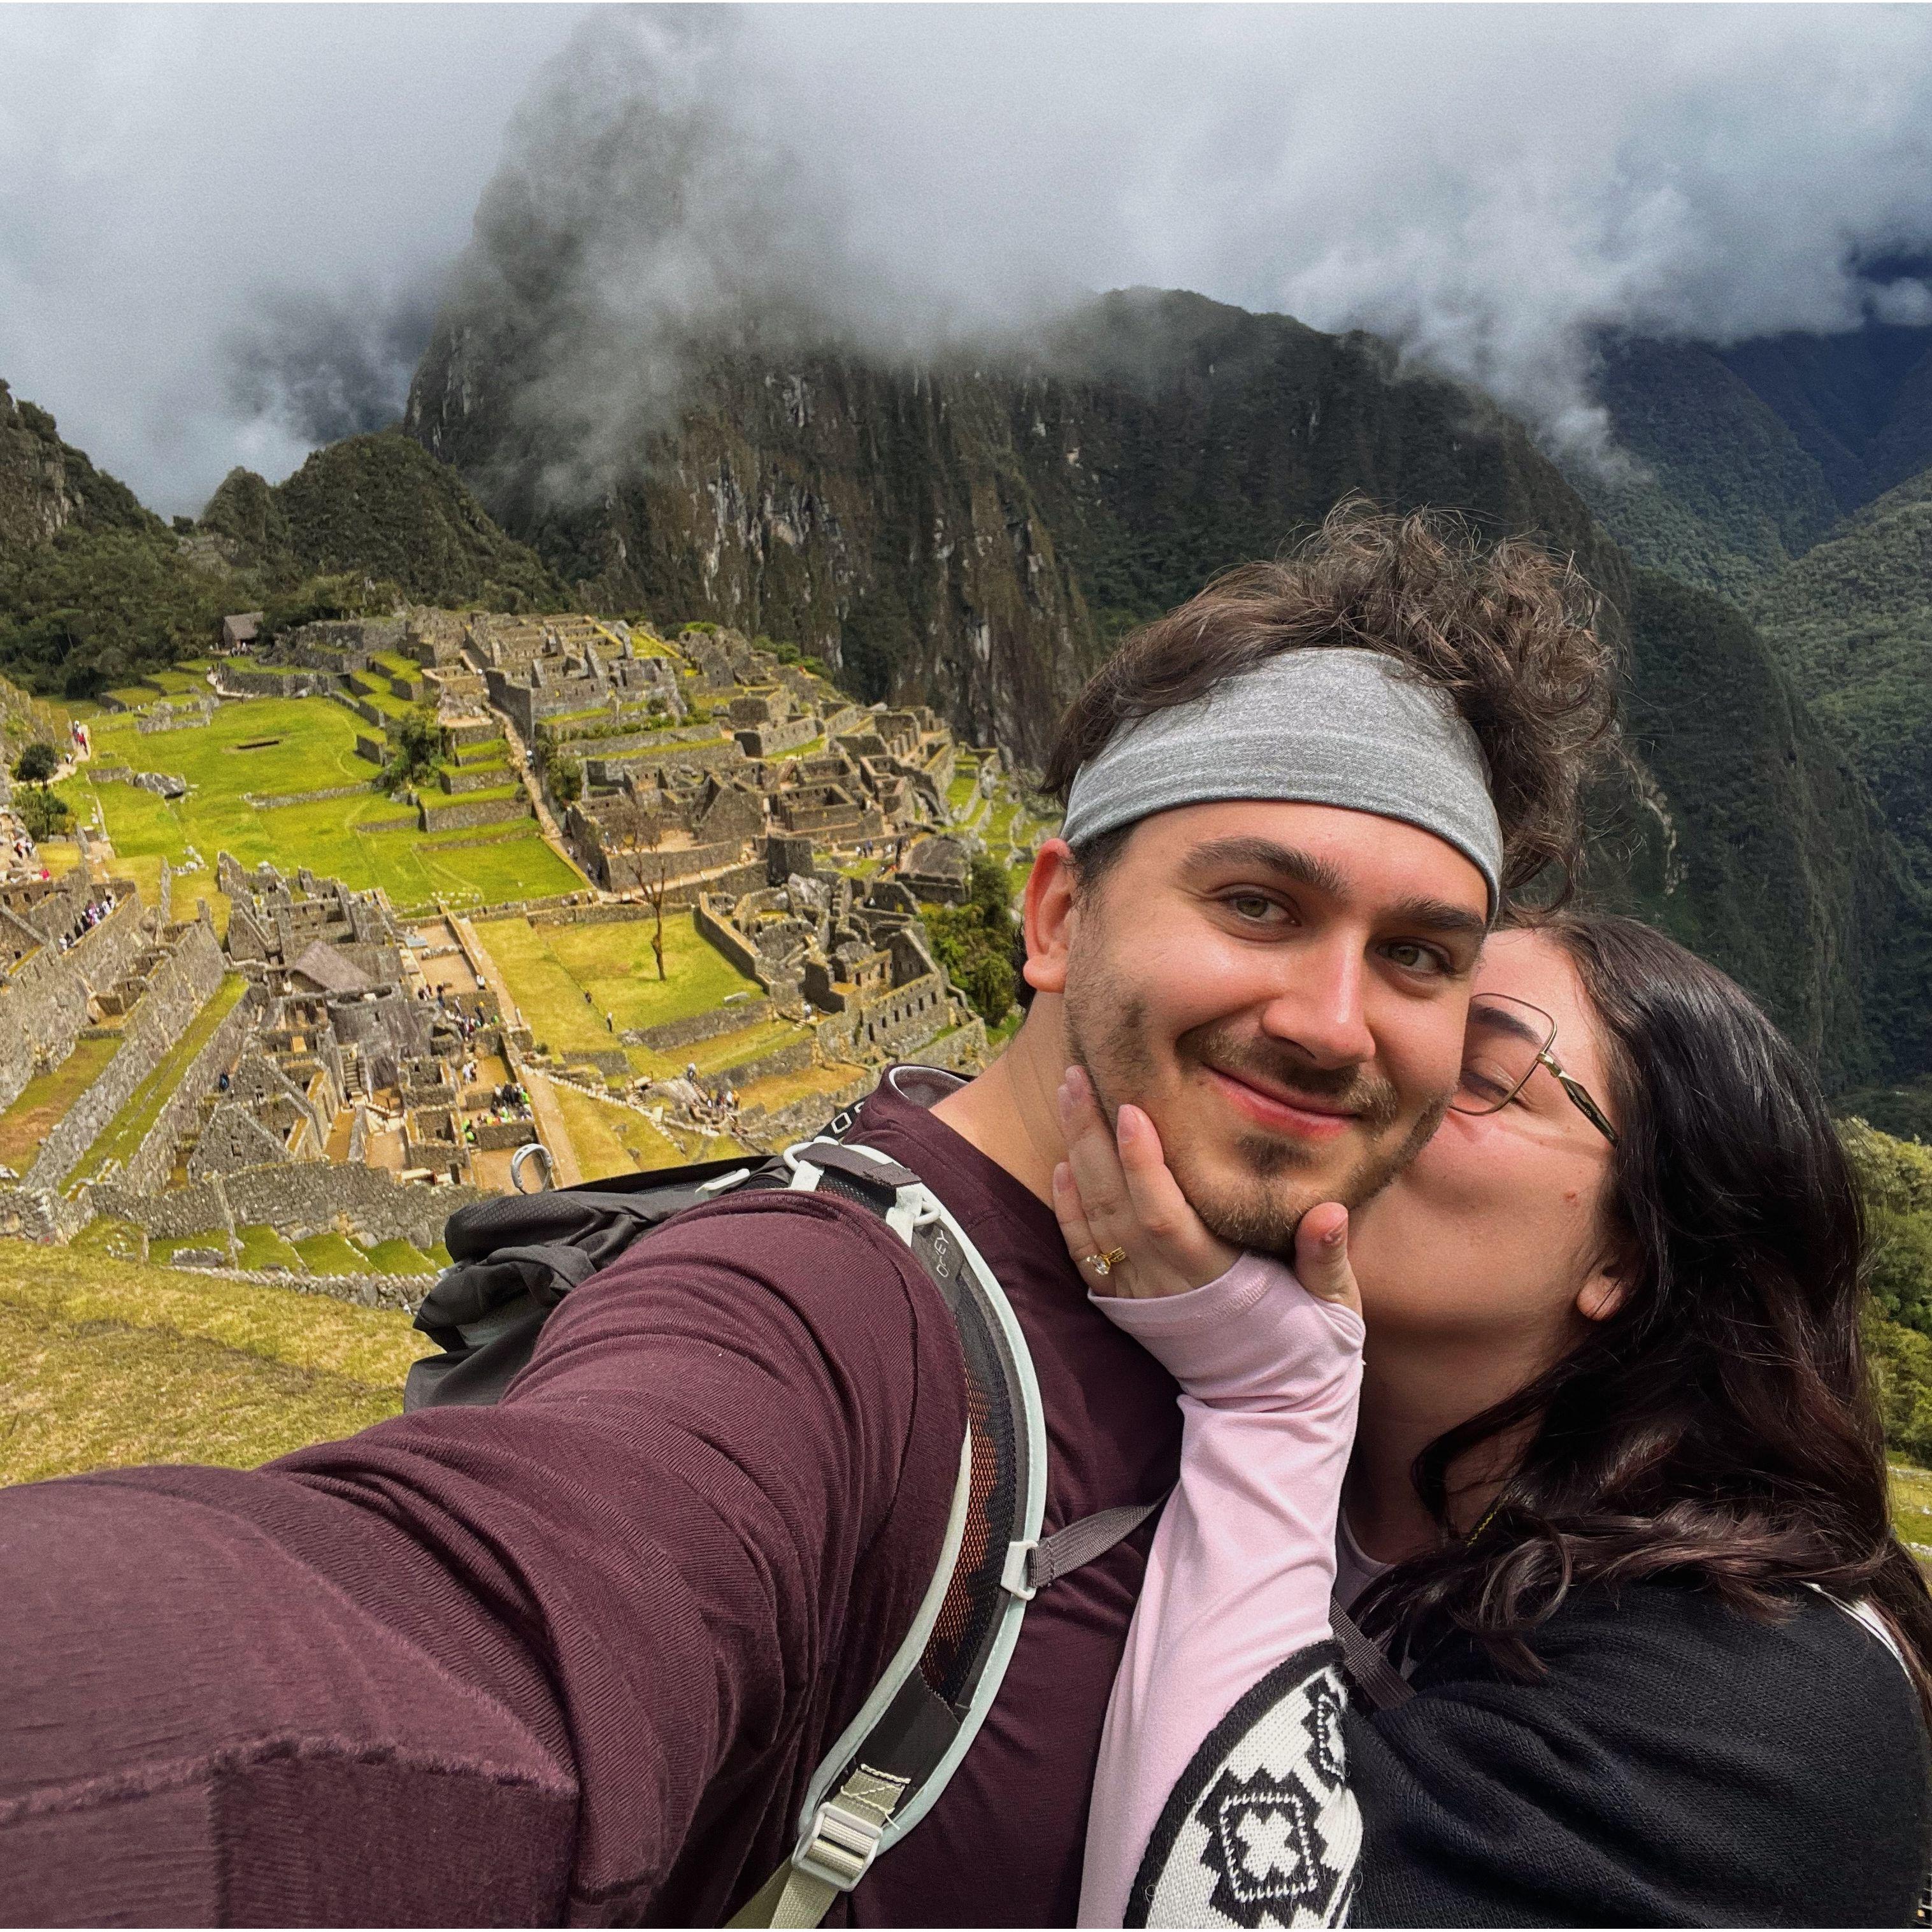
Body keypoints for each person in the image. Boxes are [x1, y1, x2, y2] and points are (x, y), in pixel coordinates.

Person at [0, 505, 1617, 1924]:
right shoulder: (817, 1319)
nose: (1334, 1019)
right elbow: (481, 1627)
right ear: (1053, 914)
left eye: (1415, 955)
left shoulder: (1275, 1347)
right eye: (1255, 902)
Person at [1063, 911, 1932, 1927]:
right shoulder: (1141, 1413)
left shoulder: (1768, 1699)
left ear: (1631, 1256)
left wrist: (1267, 1409)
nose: (1365, 1068)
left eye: (1477, 1073)